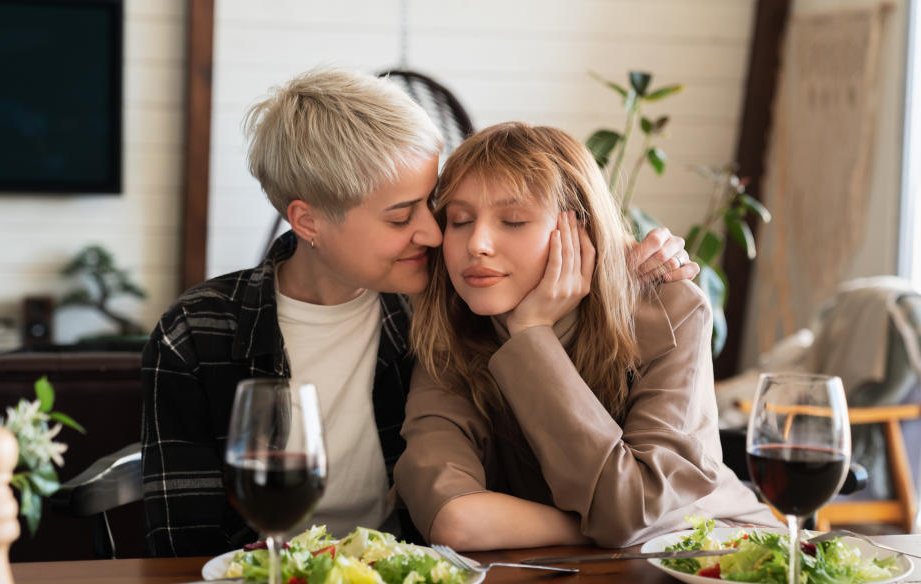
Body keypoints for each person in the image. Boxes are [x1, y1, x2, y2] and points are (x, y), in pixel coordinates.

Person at [141, 69, 697, 557]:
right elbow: (184, 550)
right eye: (402, 216)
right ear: (308, 222)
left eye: (433, 207)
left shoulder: (449, 300)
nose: (435, 234)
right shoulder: (198, 334)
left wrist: (624, 264)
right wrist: (613, 529)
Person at [394, 122, 778, 551]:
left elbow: (631, 507)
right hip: (588, 570)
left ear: (583, 230)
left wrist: (530, 334)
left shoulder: (669, 309)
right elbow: (456, 520)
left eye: (514, 220)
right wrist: (607, 529)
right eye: (459, 221)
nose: (477, 243)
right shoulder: (449, 332)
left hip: (727, 555)